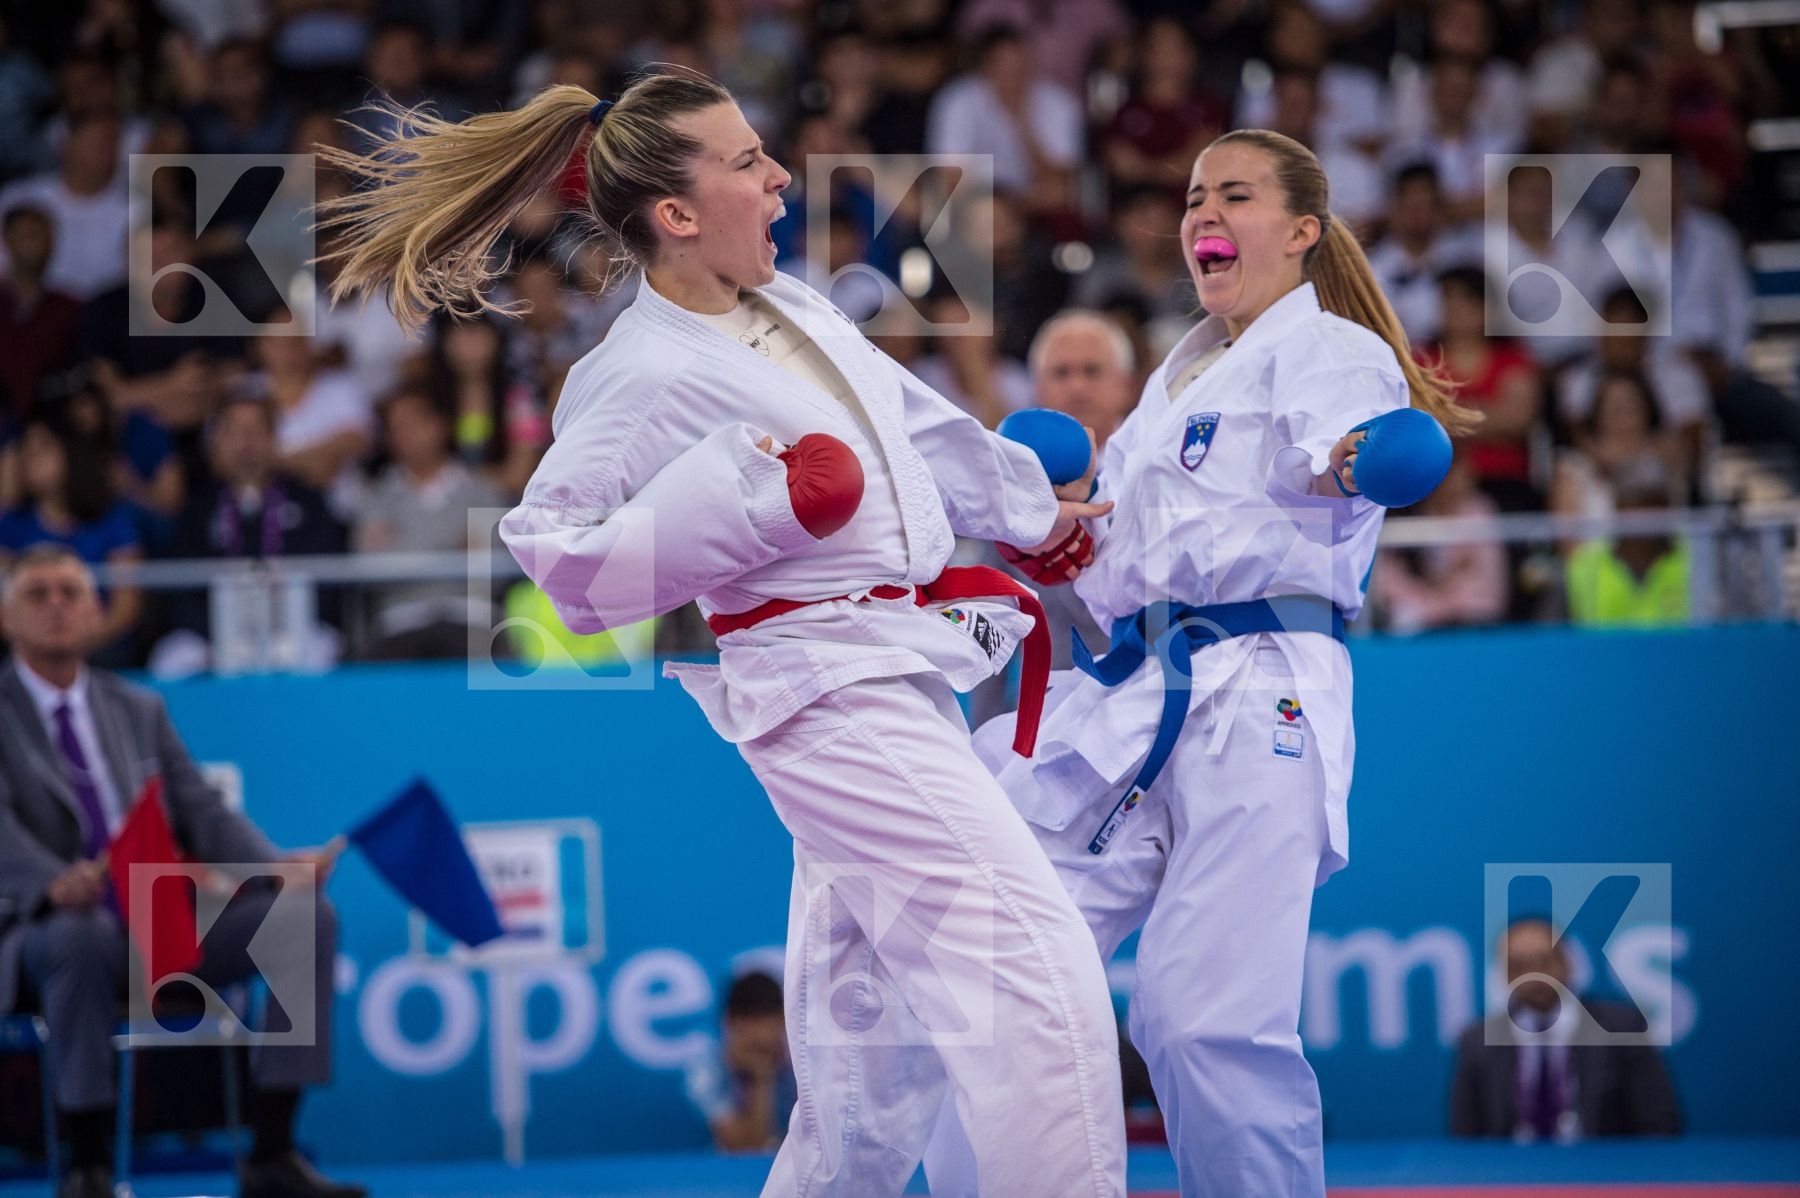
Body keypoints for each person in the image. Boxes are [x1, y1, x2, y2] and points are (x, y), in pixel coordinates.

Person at [315, 70, 1127, 1198]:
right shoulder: (636, 372)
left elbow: (922, 431)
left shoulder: (794, 307)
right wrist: (752, 506)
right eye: (748, 162)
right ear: (678, 213)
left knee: (871, 1070)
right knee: (1035, 974)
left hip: (895, 668)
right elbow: (553, 552)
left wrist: (1038, 518)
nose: (782, 176)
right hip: (826, 695)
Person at [927, 129, 1478, 1198]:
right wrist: (1062, 535)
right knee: (995, 962)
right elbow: (1116, 556)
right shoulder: (1178, 379)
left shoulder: (1331, 351)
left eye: (1234, 194)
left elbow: (1340, 454)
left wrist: (1356, 460)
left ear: (1303, 230)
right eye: (1191, 198)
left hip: (1262, 682)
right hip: (1135, 690)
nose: (1203, 214)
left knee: (1200, 1020)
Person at [0, 545, 364, 1198]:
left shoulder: (137, 709)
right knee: (79, 935)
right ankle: (88, 1166)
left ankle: (272, 1151)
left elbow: (200, 809)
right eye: (37, 594)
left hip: (156, 919)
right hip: (48, 930)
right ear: (6, 618)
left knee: (303, 919)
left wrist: (273, 867)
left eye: (70, 592)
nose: (56, 606)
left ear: (96, 612)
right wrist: (52, 883)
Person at [1451, 917, 1682, 1139]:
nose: (1535, 976)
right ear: (1505, 974)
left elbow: (1659, 1124)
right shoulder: (1477, 1040)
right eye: (1520, 965)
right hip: (1510, 1164)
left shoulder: (1622, 1028)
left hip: (1599, 1162)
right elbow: (1465, 1136)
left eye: (1544, 961)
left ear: (1567, 962)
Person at [685, 969, 798, 1153]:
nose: (761, 1034)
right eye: (751, 1020)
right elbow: (748, 1147)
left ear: (784, 1021)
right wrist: (762, 1078)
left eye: (768, 1019)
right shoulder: (705, 1072)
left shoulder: (801, 1068)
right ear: (729, 1022)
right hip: (727, 1169)